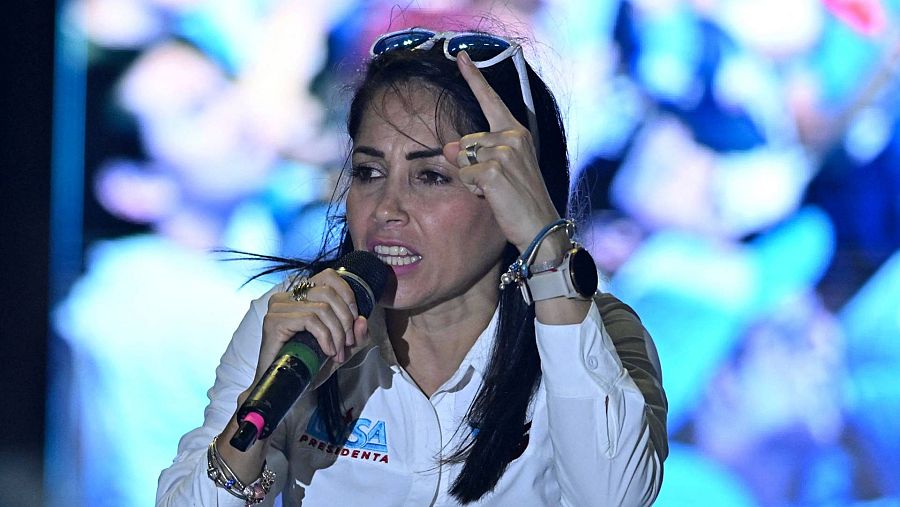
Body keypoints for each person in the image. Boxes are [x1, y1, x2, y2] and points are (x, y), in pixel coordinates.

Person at [157, 27, 668, 506]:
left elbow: (615, 496)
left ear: (516, 195)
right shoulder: (295, 319)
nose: (387, 209)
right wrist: (261, 407)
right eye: (368, 171)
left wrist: (548, 249)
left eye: (431, 177)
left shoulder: (596, 333)